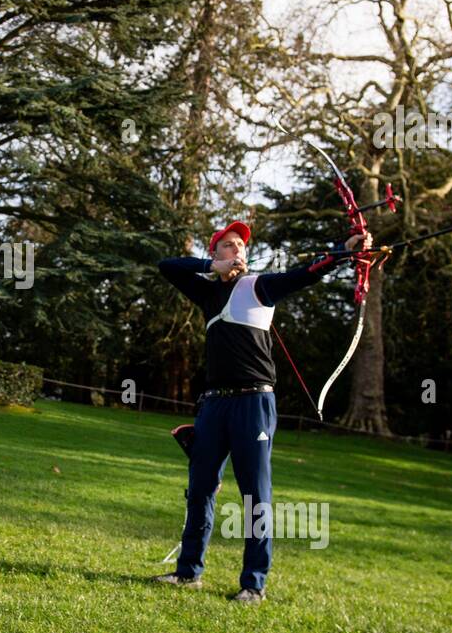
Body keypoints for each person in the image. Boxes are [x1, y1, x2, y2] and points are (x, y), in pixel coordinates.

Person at [153, 219, 368, 603]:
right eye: (228, 245)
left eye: (241, 245)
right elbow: (166, 266)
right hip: (214, 403)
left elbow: (307, 273)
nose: (237, 250)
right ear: (215, 252)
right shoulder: (206, 293)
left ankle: (253, 584)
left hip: (253, 402)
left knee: (256, 495)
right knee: (200, 488)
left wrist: (345, 249)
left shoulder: (259, 286)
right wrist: (210, 267)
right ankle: (188, 572)